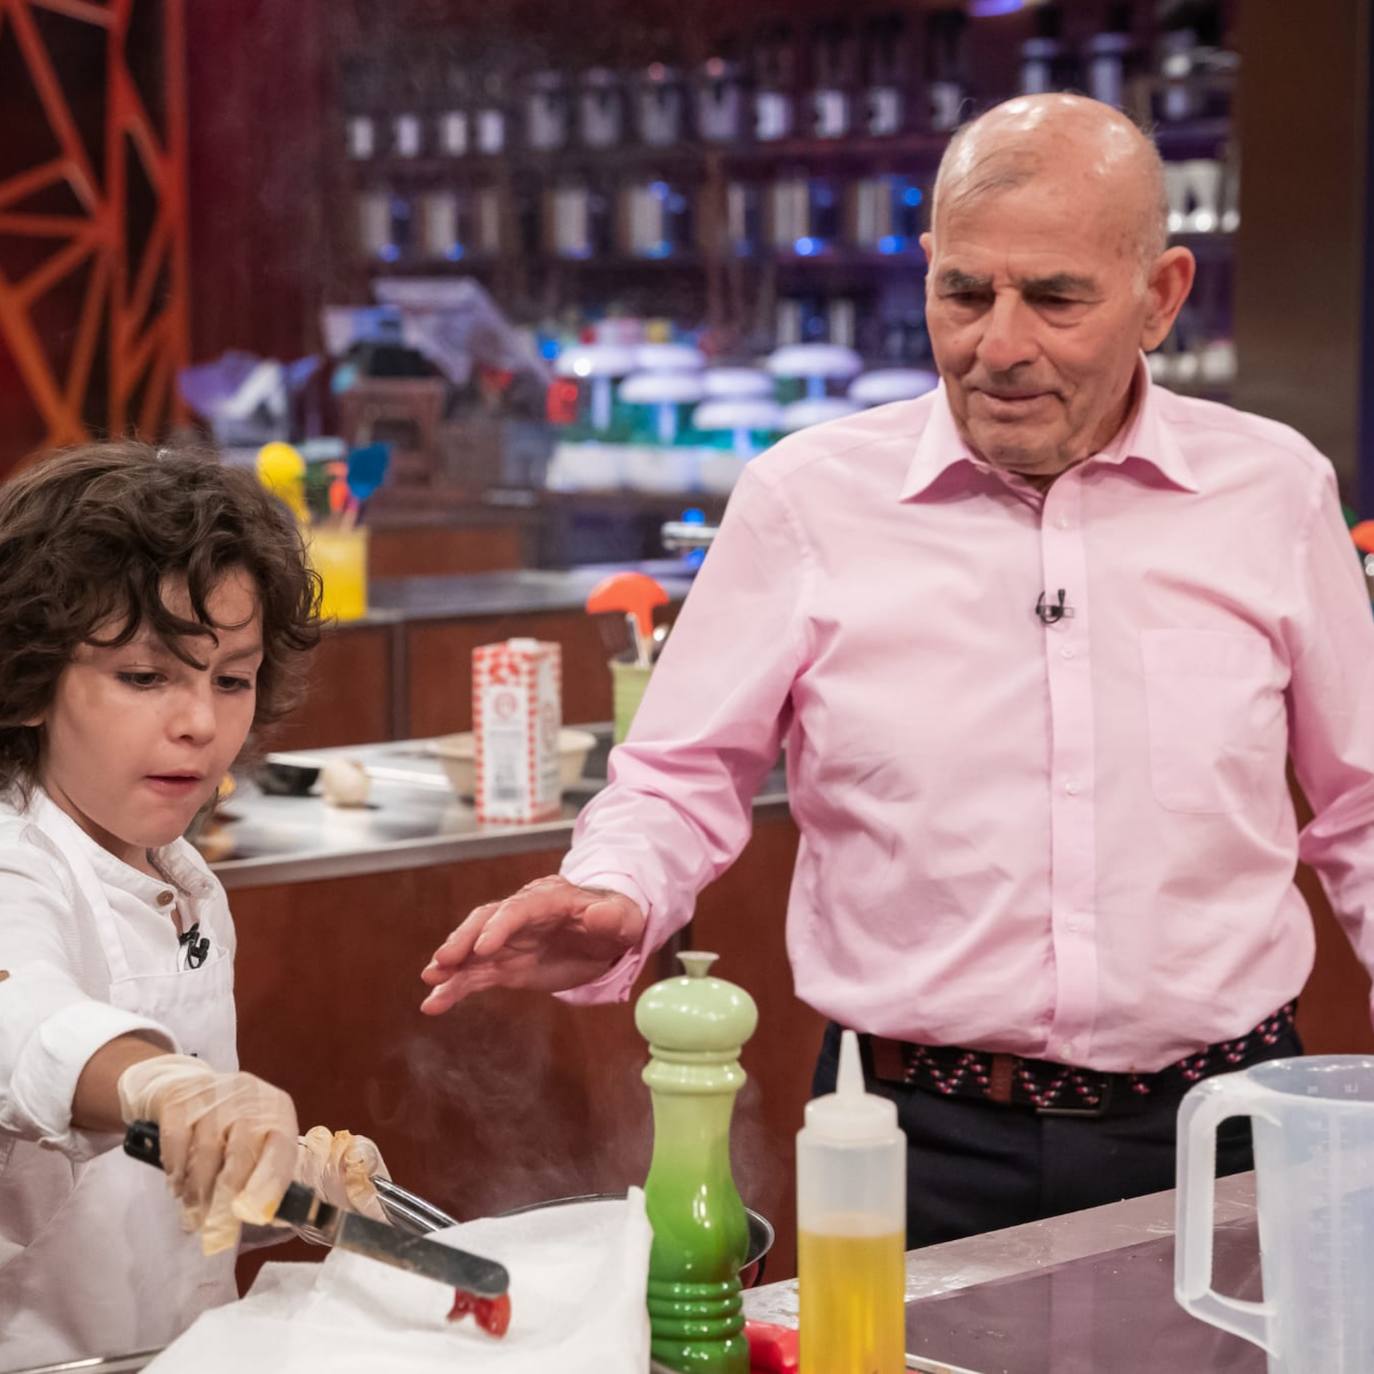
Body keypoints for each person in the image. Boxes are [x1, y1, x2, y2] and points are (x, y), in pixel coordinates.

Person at [421, 94, 1374, 1246]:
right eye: (964, 293)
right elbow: (678, 779)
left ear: (1160, 296)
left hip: (1228, 1124)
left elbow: (1363, 803)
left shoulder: (1271, 490)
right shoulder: (805, 499)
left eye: (1057, 298)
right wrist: (620, 890)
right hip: (908, 1136)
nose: (1000, 344)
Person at [0, 443, 389, 1368]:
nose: (201, 725)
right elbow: (24, 1021)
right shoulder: (17, 860)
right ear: (25, 682)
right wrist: (164, 1085)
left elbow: (152, 1207)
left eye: (231, 678)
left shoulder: (185, 882)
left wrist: (283, 1186)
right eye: (145, 678)